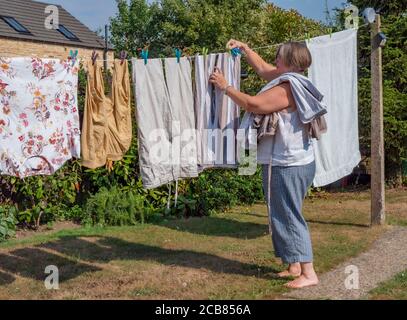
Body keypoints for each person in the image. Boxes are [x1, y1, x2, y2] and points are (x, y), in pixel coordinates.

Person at [209, 39, 319, 289]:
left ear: (290, 62)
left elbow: (254, 104)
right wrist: (246, 49)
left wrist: (226, 87)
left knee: (289, 216)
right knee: (280, 213)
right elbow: (262, 69)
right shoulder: (294, 78)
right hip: (295, 161)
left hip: (288, 163)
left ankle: (309, 272)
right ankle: (293, 265)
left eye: (280, 56)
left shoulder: (287, 88)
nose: (276, 59)